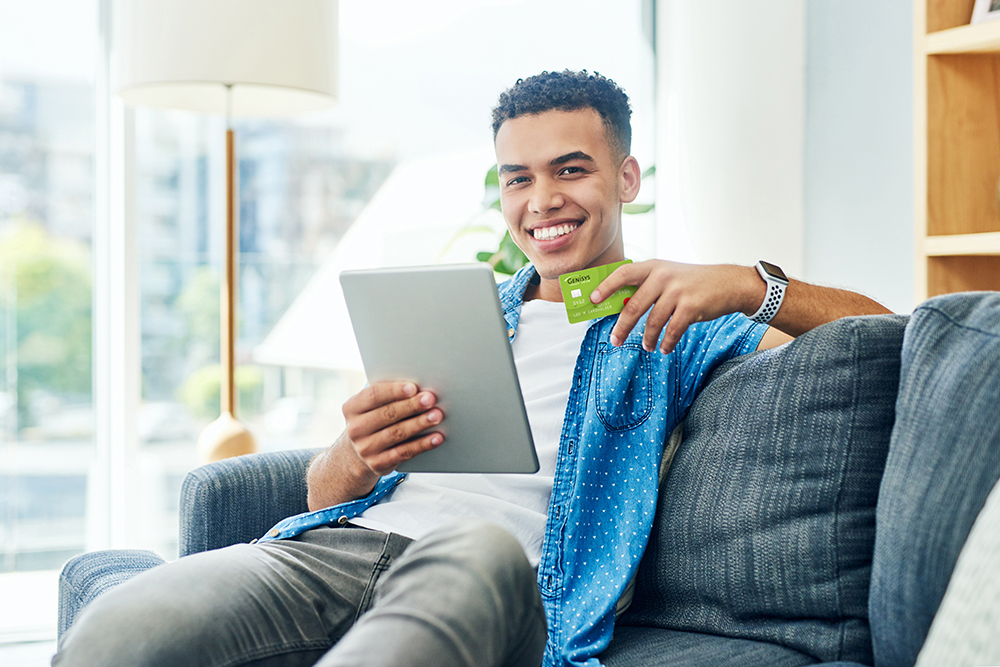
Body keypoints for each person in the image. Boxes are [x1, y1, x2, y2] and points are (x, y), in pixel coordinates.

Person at [54, 70, 890, 667]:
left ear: (626, 177)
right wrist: (358, 450)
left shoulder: (677, 317)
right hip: (336, 550)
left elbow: (892, 339)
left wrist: (751, 283)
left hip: (502, 574)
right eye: (518, 178)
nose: (542, 200)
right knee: (123, 623)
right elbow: (324, 494)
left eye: (571, 169)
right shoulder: (461, 306)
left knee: (475, 546)